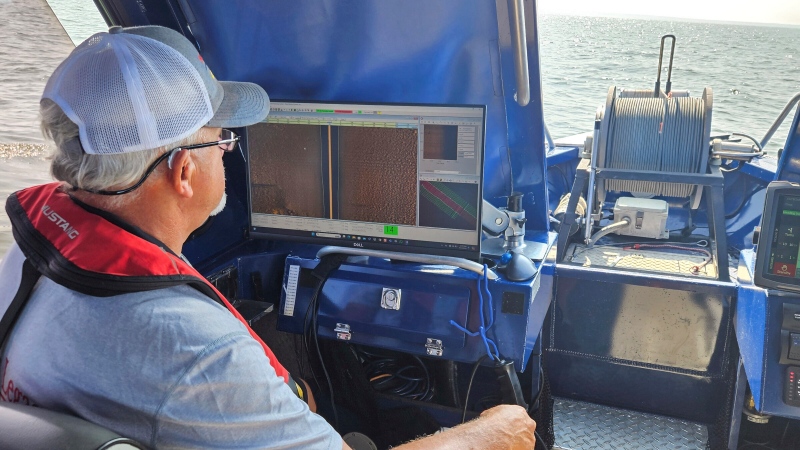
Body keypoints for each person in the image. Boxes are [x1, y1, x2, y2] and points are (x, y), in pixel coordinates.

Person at [0, 25, 536, 449]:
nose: (229, 152)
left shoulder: (30, 257)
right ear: (183, 172)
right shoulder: (195, 348)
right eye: (223, 140)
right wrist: (492, 433)